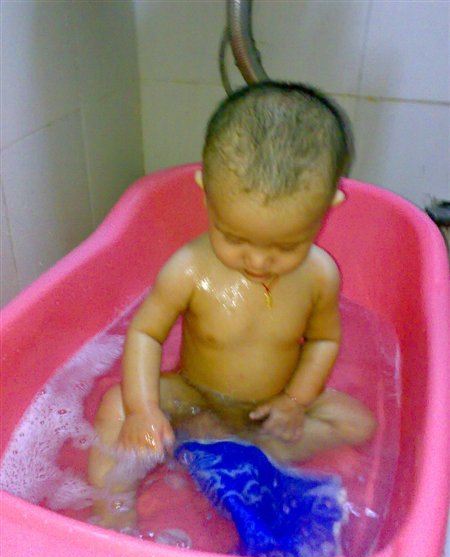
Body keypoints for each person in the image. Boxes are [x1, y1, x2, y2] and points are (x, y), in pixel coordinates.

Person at [88, 81, 376, 529]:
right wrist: (144, 409)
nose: (258, 261)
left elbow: (323, 341)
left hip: (269, 406)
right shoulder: (188, 269)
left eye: (286, 246)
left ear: (328, 208)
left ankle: (260, 448)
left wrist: (294, 401)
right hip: (195, 397)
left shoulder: (320, 275)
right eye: (235, 238)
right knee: (116, 405)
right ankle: (113, 513)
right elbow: (145, 333)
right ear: (205, 194)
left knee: (357, 422)